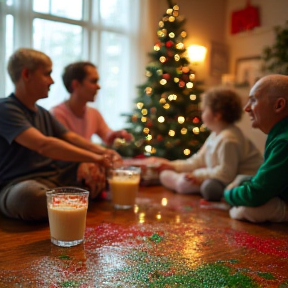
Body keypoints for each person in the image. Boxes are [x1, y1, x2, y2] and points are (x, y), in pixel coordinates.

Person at [0, 48, 122, 222]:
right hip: (17, 185)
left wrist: (102, 154)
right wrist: (96, 157)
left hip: (54, 179)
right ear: (26, 74)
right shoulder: (5, 108)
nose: (52, 81)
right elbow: (44, 145)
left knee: (93, 171)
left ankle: (65, 203)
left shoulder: (43, 113)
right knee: (30, 198)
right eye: (47, 74)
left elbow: (71, 138)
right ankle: (74, 201)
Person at [155, 87, 263, 201]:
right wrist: (173, 166)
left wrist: (197, 175)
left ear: (217, 115)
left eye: (204, 111)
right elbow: (197, 160)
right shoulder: (215, 135)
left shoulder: (229, 139)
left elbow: (226, 174)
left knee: (209, 187)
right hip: (223, 178)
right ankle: (181, 181)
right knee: (167, 174)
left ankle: (184, 182)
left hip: (241, 182)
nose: (202, 115)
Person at [224, 74, 288, 223]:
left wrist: (227, 194)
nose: (246, 108)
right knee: (242, 180)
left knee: (247, 210)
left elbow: (256, 193)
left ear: (279, 105)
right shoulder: (281, 135)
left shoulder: (284, 141)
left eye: (253, 100)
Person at [50, 61, 133, 146]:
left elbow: (107, 136)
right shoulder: (57, 114)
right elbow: (66, 149)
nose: (98, 87)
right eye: (93, 81)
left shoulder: (93, 113)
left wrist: (116, 135)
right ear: (76, 85)